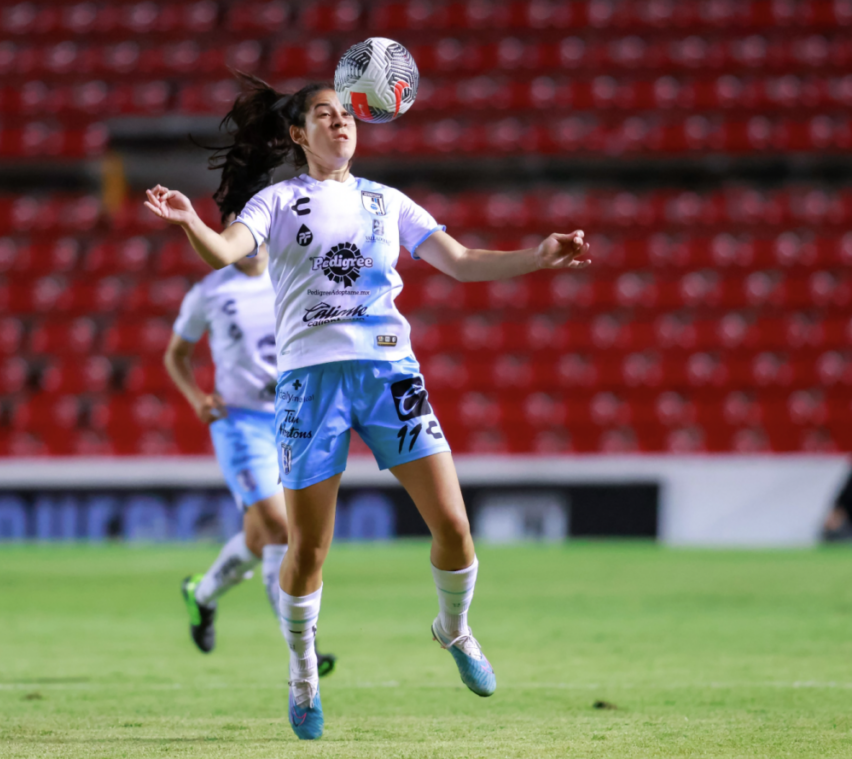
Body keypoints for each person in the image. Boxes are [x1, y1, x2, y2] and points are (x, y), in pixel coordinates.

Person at [145, 73, 590, 740]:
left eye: (347, 114)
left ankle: (454, 628)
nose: (341, 122)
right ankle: (302, 672)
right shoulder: (276, 201)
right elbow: (225, 251)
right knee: (308, 549)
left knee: (455, 527)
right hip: (310, 385)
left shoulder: (388, 201)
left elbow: (461, 261)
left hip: (390, 374)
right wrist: (190, 224)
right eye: (324, 114)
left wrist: (538, 256)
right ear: (299, 134)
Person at [167, 201, 336, 678]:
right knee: (281, 530)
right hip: (238, 422)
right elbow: (176, 354)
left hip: (292, 417)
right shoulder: (209, 291)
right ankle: (303, 651)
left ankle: (201, 594)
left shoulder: (291, 276)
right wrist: (196, 397)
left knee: (260, 538)